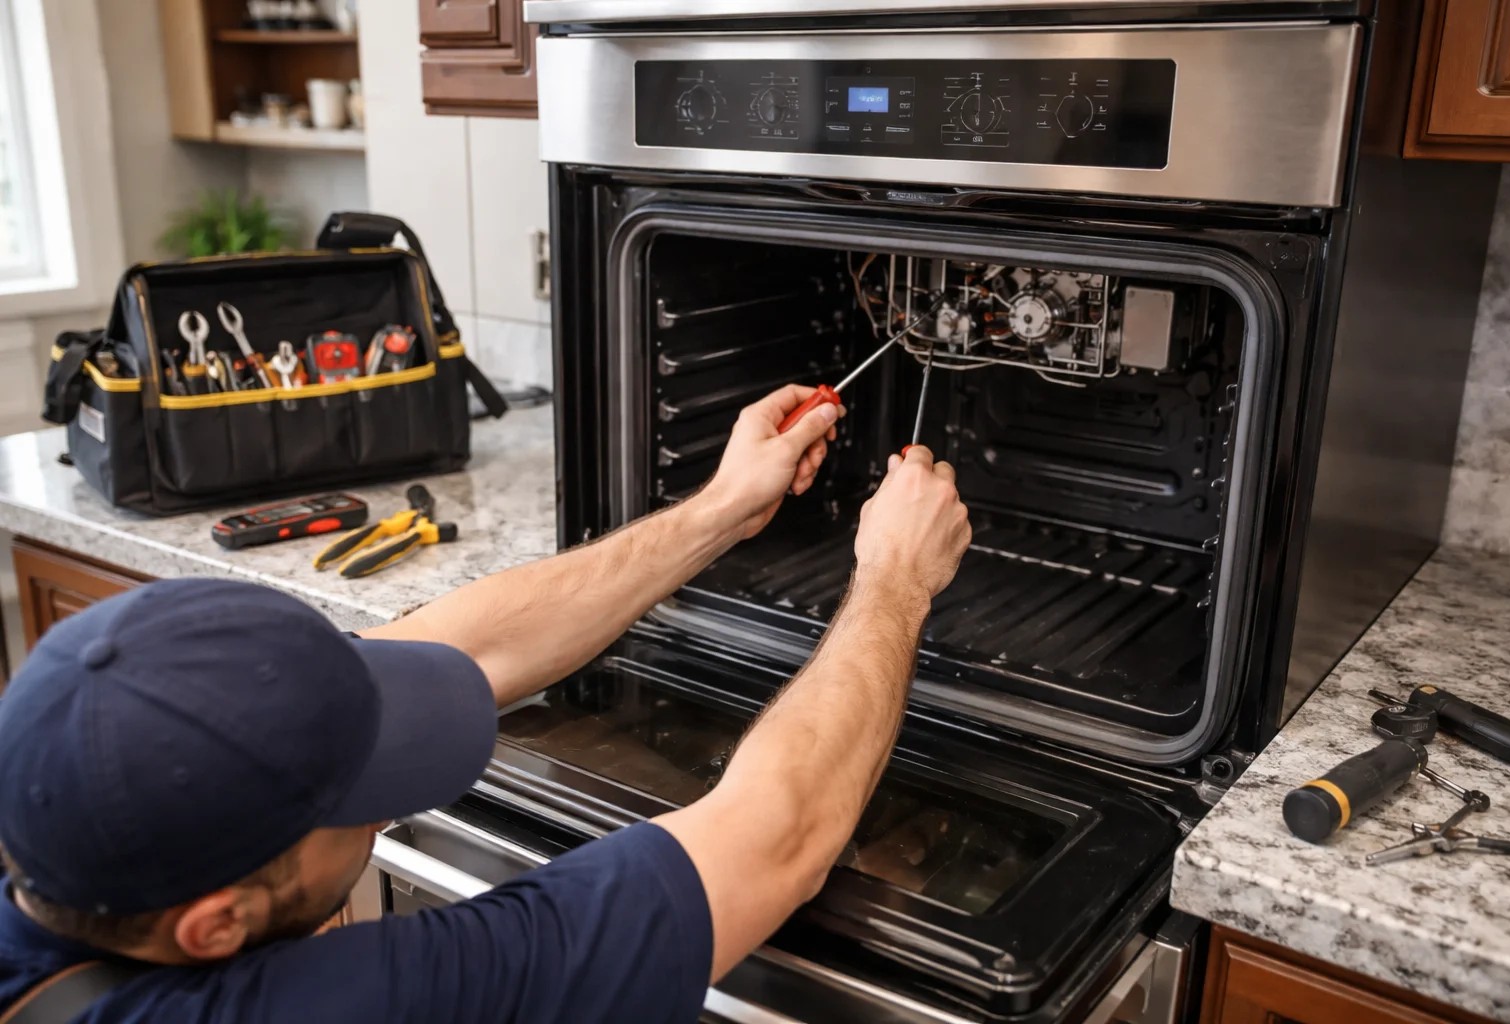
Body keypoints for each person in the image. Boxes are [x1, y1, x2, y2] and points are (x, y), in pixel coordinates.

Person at [0, 384, 971, 1023]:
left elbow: (465, 641)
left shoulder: (83, 813)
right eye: (360, 796)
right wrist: (895, 576)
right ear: (216, 926)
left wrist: (721, 507)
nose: (387, 806)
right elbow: (778, 835)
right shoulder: (339, 1006)